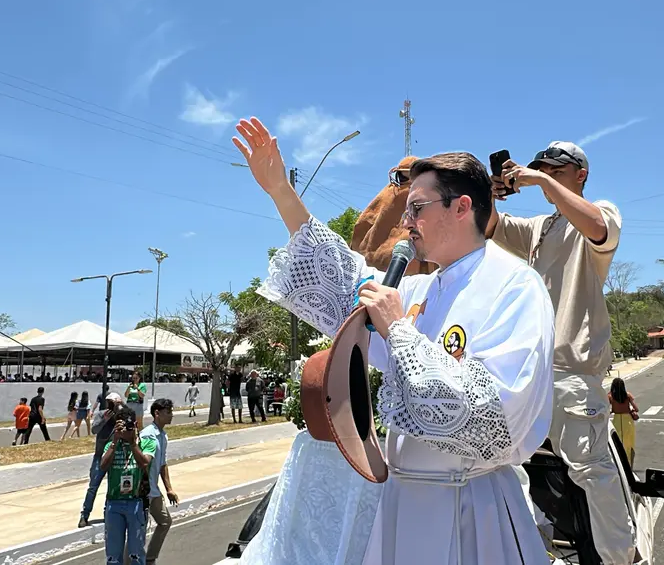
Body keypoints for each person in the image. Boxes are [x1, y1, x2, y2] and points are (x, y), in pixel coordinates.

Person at [233, 117, 554, 564]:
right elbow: (345, 278)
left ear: (462, 207)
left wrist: (399, 331)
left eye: (417, 207)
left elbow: (492, 417)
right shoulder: (422, 289)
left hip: (470, 507)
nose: (405, 222)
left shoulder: (515, 285)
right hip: (403, 504)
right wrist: (281, 192)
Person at [488, 141, 632, 564]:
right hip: (530, 376)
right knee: (509, 470)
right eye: (540, 168)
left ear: (580, 173)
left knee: (593, 476)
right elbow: (490, 226)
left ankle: (618, 559)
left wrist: (543, 182)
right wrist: (488, 192)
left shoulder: (600, 213)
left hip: (572, 374)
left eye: (555, 168)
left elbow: (598, 227)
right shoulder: (541, 228)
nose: (544, 173)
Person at [100, 406, 155, 565]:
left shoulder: (146, 443)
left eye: (128, 426)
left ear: (136, 425)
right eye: (121, 426)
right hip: (114, 503)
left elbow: (145, 463)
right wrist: (115, 441)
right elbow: (103, 466)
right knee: (113, 555)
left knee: (136, 553)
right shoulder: (111, 445)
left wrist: (132, 443)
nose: (126, 430)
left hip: (135, 502)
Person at [140, 398, 179, 564]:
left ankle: (150, 558)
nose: (171, 415)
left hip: (154, 490)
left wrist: (169, 489)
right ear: (157, 413)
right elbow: (141, 462)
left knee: (165, 521)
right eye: (168, 412)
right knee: (138, 531)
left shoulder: (162, 436)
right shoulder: (148, 435)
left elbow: (162, 464)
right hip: (142, 491)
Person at [78, 392, 121, 528]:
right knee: (93, 486)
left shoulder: (121, 416)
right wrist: (105, 419)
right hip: (100, 455)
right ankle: (84, 514)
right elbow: (94, 430)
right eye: (110, 403)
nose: (112, 406)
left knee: (112, 487)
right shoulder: (102, 414)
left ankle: (107, 513)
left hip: (114, 456)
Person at [608, 377, 639, 466]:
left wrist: (613, 410)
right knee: (629, 444)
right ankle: (629, 465)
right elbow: (636, 409)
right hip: (628, 421)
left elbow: (607, 410)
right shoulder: (627, 395)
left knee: (617, 443)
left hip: (617, 420)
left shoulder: (610, 396)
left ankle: (618, 464)